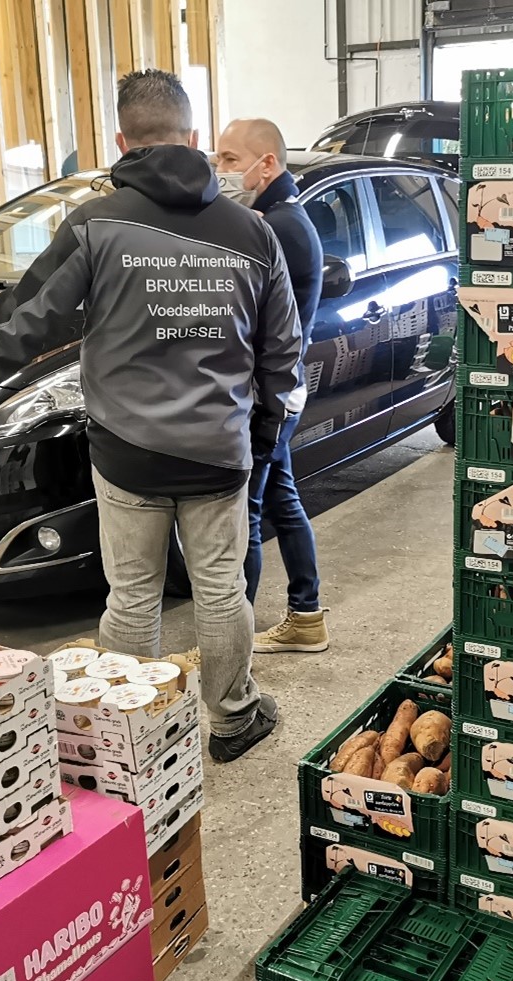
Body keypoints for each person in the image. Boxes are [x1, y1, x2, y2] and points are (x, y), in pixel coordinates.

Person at [0, 70, 302, 762]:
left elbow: (28, 322)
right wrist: (265, 432)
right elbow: (283, 353)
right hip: (218, 450)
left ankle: (125, 735)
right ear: (194, 137)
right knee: (222, 590)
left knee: (132, 596)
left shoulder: (95, 225)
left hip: (127, 452)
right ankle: (233, 719)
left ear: (122, 142)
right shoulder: (252, 231)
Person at [214, 118, 330, 653]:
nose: (220, 171)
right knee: (282, 497)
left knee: (248, 511)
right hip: (281, 387)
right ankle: (306, 615)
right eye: (217, 159)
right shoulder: (281, 217)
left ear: (267, 164)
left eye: (230, 160)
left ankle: (231, 645)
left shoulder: (276, 226)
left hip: (270, 392)